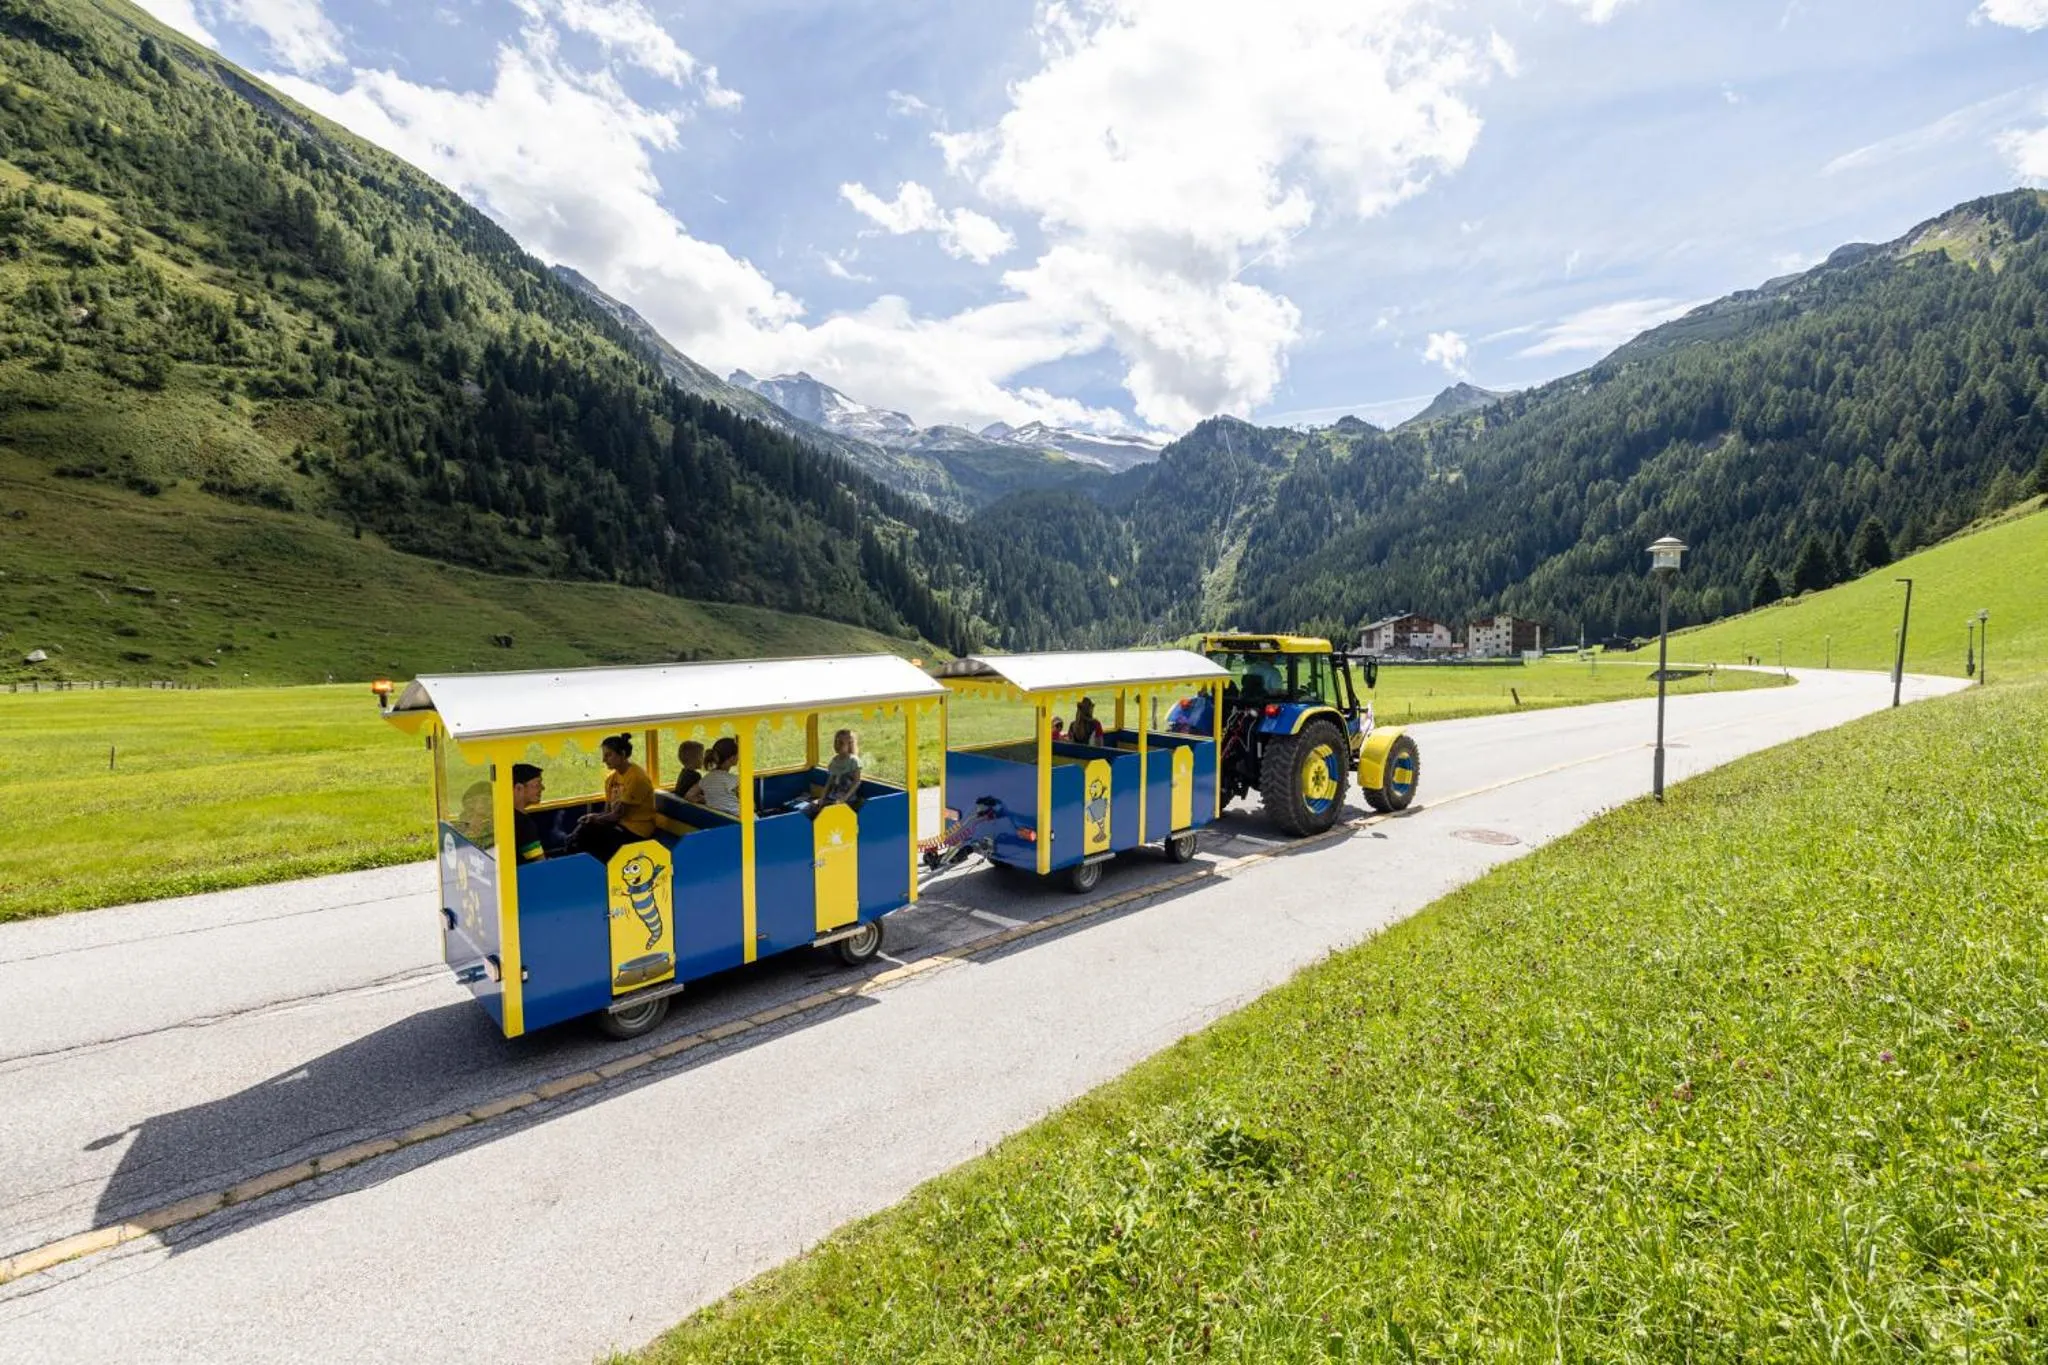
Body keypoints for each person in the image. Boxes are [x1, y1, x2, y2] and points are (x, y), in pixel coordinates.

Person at [570, 733, 658, 861]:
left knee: (596, 836)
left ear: (622, 754)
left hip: (637, 831)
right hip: (619, 825)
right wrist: (594, 817)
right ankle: (575, 861)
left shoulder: (637, 778)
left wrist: (595, 819)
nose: (604, 760)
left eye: (608, 755)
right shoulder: (611, 779)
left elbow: (616, 815)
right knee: (585, 831)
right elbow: (608, 812)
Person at [684, 736, 742, 817]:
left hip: (718, 818)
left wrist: (709, 799)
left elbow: (689, 796)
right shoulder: (735, 780)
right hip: (740, 819)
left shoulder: (706, 778)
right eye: (738, 754)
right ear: (732, 758)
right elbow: (750, 805)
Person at [511, 762, 551, 863]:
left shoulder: (507, 816)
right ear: (518, 788)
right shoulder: (523, 824)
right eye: (537, 785)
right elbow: (540, 863)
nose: (542, 788)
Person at [819, 728, 863, 806]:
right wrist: (822, 797)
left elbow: (856, 782)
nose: (837, 745)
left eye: (841, 743)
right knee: (812, 808)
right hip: (832, 797)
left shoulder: (854, 761)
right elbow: (829, 782)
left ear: (850, 744)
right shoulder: (834, 760)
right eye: (836, 741)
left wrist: (844, 799)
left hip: (848, 800)